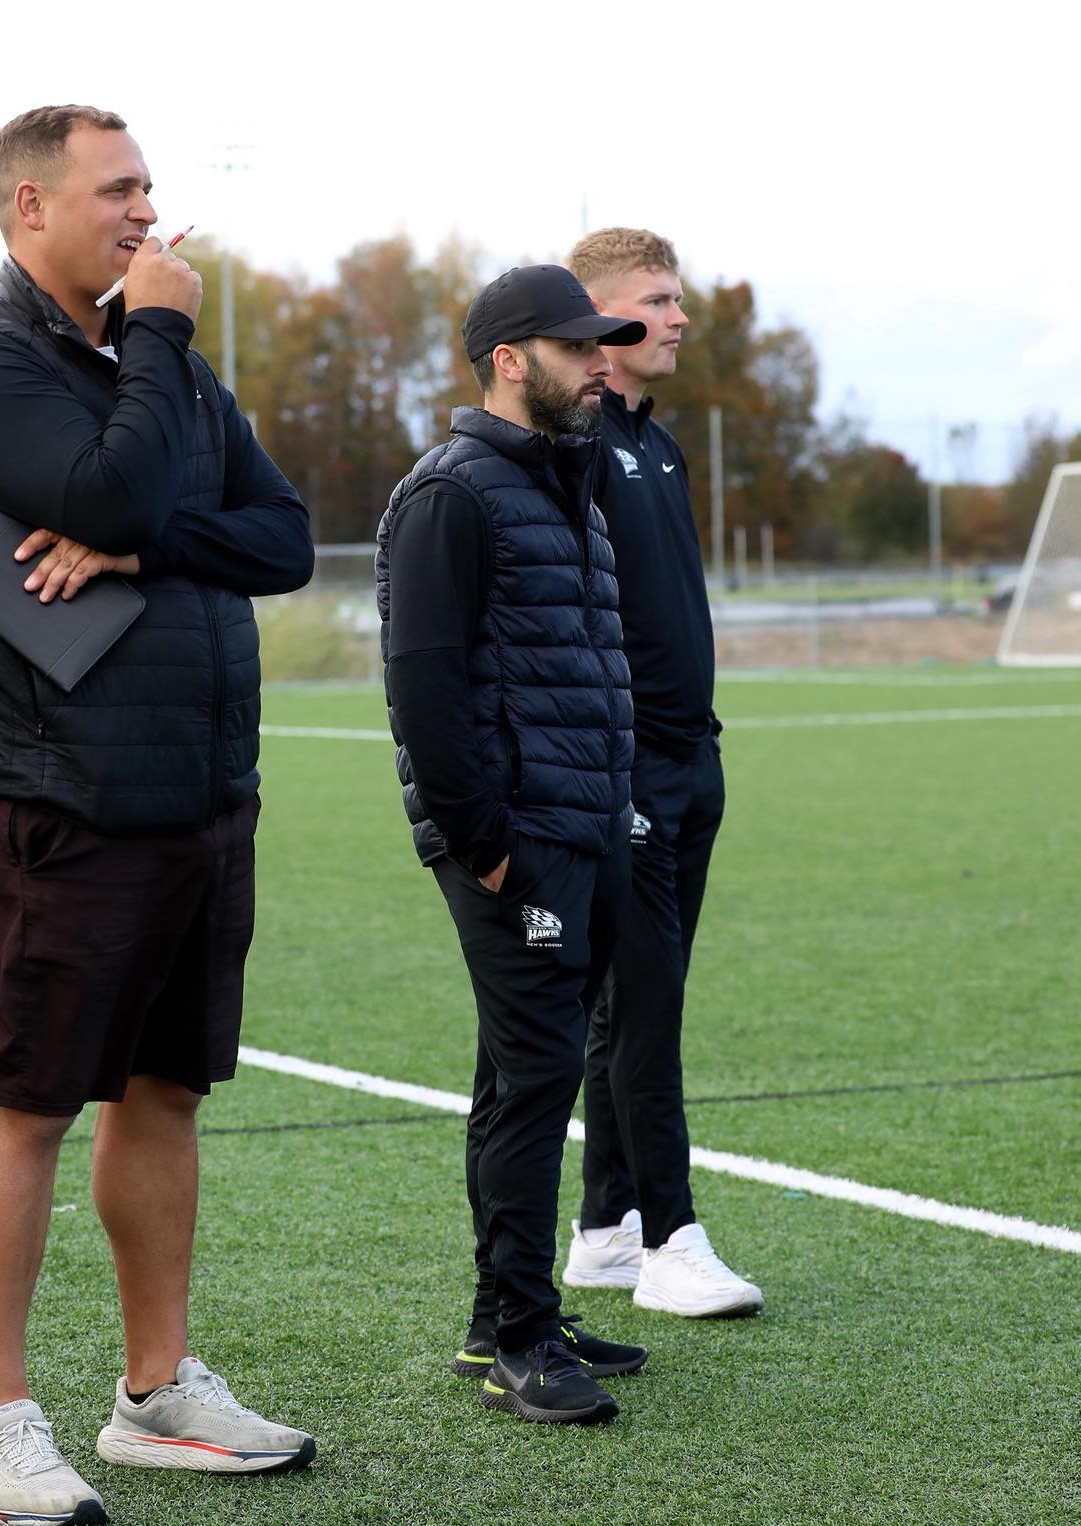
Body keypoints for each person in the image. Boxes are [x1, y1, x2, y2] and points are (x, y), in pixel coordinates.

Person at [0, 105, 316, 1525]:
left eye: (149, 188)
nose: (147, 213)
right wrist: (156, 338)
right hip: (55, 796)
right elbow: (115, 481)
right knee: (25, 1097)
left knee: (165, 1088)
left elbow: (280, 536)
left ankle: (155, 1390)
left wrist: (141, 545)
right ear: (29, 206)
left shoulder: (171, 372)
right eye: (117, 190)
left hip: (198, 791)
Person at [376, 266, 645, 1424]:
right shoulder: (451, 492)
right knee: (536, 1075)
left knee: (521, 1070)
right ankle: (522, 1341)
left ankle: (503, 1315)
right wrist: (485, 846)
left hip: (582, 824)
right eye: (576, 347)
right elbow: (424, 687)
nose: (598, 364)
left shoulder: (561, 482)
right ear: (505, 359)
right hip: (516, 841)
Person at [561, 228, 761, 1316]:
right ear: (599, 316)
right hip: (624, 767)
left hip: (693, 758)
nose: (679, 317)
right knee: (644, 1008)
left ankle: (604, 1230)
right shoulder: (575, 442)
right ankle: (670, 1239)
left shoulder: (660, 443)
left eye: (678, 298)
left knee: (637, 1002)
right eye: (657, 298)